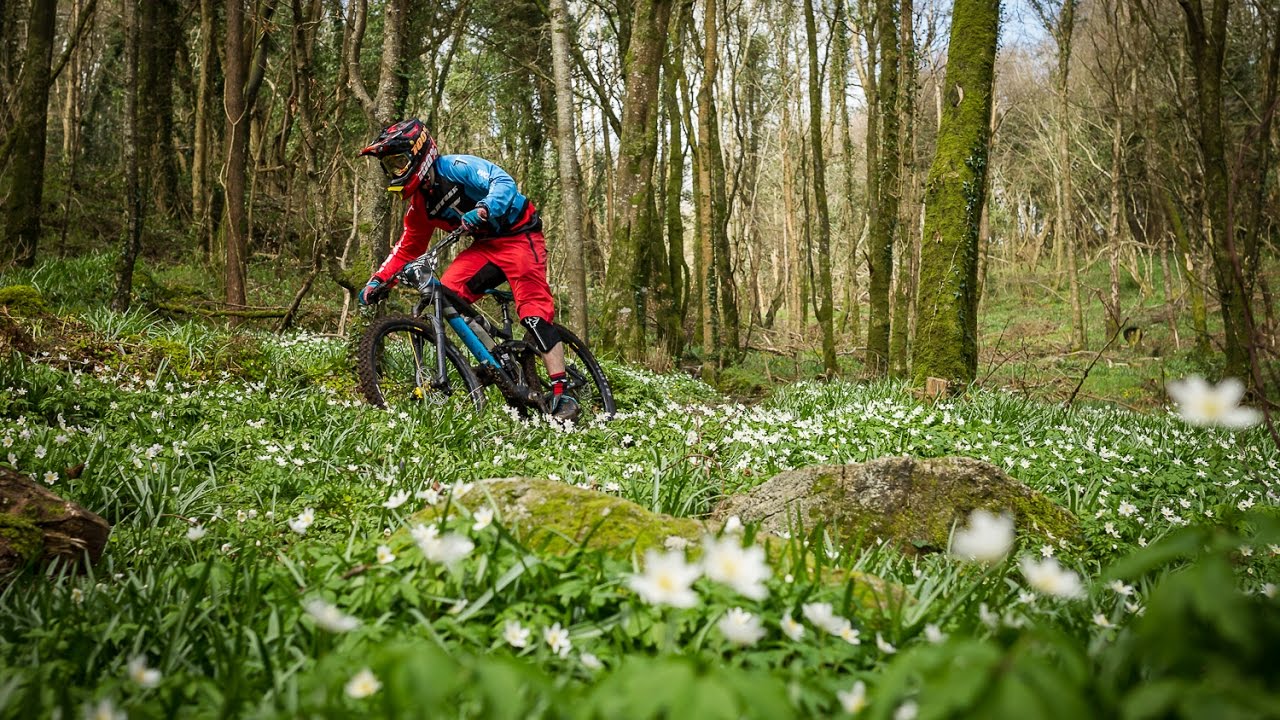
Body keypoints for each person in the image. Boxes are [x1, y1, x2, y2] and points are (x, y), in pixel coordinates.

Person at [356, 118, 579, 421]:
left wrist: (486, 207)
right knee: (445, 295)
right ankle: (495, 361)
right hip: (486, 248)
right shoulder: (422, 206)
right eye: (390, 166)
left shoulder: (456, 167)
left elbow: (502, 183)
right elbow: (408, 247)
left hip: (520, 236)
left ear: (419, 153)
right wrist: (379, 280)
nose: (395, 171)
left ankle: (561, 393)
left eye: (399, 161)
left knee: (534, 313)